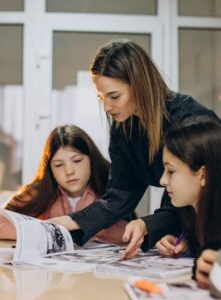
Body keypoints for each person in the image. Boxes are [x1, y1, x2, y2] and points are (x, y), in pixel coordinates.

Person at [48, 41, 219, 257]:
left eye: (114, 96)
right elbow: (119, 196)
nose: (107, 108)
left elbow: (198, 195)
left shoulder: (191, 123)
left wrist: (152, 225)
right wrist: (70, 221)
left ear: (139, 85)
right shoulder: (124, 128)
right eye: (101, 98)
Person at [0, 124, 127, 244]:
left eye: (77, 160)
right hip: (52, 272)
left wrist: (73, 225)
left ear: (91, 159)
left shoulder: (110, 189)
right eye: (59, 165)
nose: (69, 171)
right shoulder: (40, 191)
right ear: (50, 170)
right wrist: (50, 230)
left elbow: (126, 233)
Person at [153, 115, 221, 289]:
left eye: (171, 171)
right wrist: (188, 246)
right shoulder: (192, 215)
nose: (162, 180)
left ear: (203, 175)